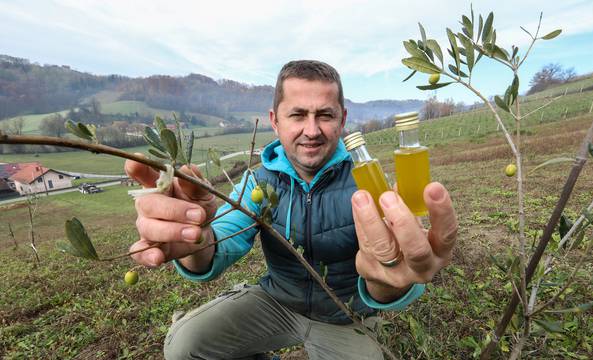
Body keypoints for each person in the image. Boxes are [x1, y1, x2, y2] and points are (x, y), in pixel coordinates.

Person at [124, 60, 458, 360]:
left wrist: (390, 282)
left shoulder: (366, 183)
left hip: (344, 316)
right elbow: (219, 240)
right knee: (184, 345)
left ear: (342, 119)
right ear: (275, 121)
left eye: (324, 115)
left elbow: (392, 266)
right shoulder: (258, 182)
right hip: (276, 302)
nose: (311, 131)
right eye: (297, 115)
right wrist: (194, 239)